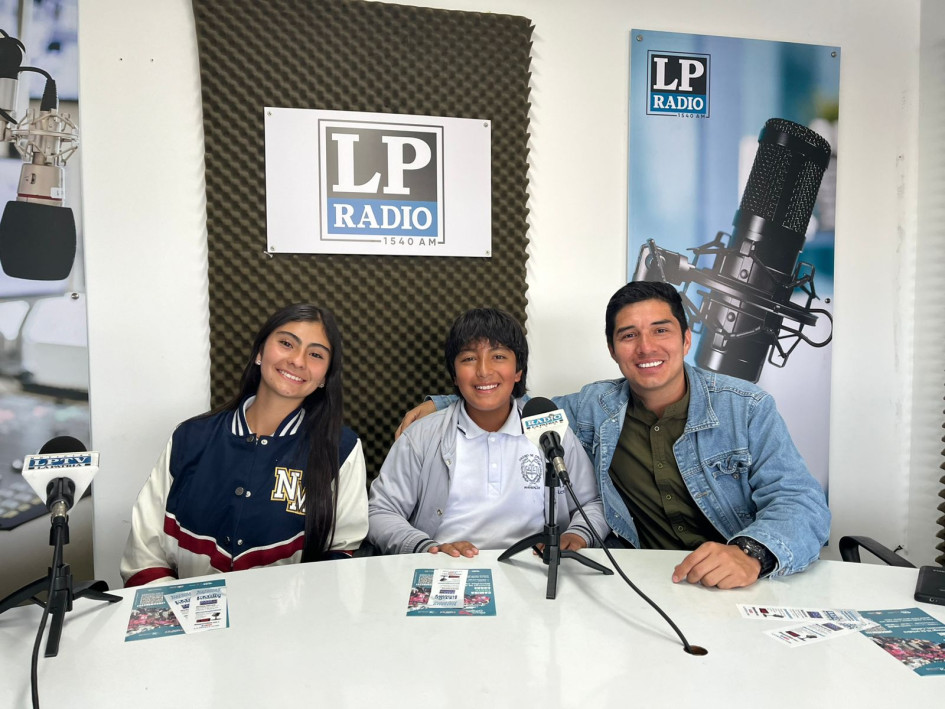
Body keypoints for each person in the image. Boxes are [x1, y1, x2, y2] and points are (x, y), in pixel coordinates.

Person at [397, 283, 830, 588]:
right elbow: (511, 401)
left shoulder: (746, 407)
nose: (646, 347)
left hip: (737, 579)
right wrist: (443, 403)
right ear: (612, 349)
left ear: (685, 339)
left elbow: (802, 502)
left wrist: (749, 554)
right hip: (643, 579)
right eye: (629, 335)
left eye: (660, 330)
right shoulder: (593, 408)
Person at [120, 304, 368, 587]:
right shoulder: (190, 438)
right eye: (286, 343)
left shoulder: (342, 449)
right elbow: (145, 556)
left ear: (325, 376)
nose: (298, 361)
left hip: (291, 626)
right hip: (185, 622)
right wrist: (176, 620)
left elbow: (343, 554)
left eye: (315, 354)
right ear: (260, 352)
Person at [369, 308, 609, 557]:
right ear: (454, 374)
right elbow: (381, 512)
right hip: (448, 570)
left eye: (498, 356)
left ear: (518, 371)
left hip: (536, 571)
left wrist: (578, 533)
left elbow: (592, 502)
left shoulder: (550, 432)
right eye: (469, 359)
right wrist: (428, 547)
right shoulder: (421, 437)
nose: (483, 371)